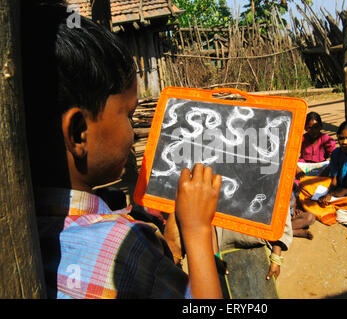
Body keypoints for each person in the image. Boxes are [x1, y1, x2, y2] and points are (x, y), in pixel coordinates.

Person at [21, 1, 222, 299]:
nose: (133, 130)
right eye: (128, 114)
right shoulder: (125, 248)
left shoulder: (22, 231)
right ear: (78, 133)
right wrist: (197, 232)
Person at [296, 121, 347, 225]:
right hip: (334, 187)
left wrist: (330, 195)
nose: (344, 142)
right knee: (304, 183)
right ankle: (329, 206)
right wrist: (329, 192)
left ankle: (324, 209)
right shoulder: (336, 153)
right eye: (341, 138)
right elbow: (334, 178)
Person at [296, 112, 336, 177]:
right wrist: (297, 168)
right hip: (303, 168)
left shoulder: (326, 139)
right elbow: (292, 156)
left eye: (316, 127)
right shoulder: (301, 139)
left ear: (321, 127)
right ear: (305, 128)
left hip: (322, 169)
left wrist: (327, 169)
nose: (313, 131)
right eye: (310, 128)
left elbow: (335, 157)